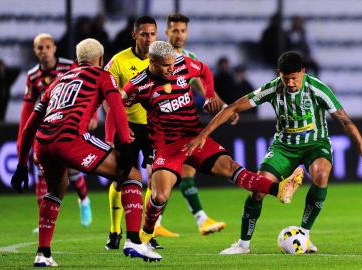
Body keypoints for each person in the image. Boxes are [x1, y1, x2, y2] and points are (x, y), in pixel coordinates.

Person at [115, 41, 304, 253]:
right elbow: (118, 104)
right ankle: (146, 236)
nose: (171, 68)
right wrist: (123, 128)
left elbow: (204, 71)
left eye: (172, 64)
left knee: (231, 167)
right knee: (159, 196)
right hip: (166, 146)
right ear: (152, 62)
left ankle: (279, 189)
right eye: (165, 66)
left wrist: (209, 95)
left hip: (194, 137)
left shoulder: (182, 64)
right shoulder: (138, 85)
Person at [186, 51, 362, 255]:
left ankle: (304, 234)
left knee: (321, 173)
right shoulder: (272, 88)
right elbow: (233, 107)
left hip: (315, 144)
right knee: (257, 190)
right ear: (279, 74)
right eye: (285, 78)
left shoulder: (317, 88)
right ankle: (243, 245)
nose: (290, 83)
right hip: (283, 147)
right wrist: (203, 134)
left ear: (303, 72)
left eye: (294, 78)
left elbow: (345, 121)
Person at [11, 38, 162, 267]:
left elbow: (30, 125)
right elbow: (117, 107)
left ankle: (43, 253)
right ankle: (133, 241)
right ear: (100, 60)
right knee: (131, 174)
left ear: (77, 60)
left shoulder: (57, 82)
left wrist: (22, 164)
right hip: (70, 138)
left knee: (56, 189)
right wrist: (125, 141)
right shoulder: (103, 76)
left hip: (44, 142)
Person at [103, 16, 171, 250]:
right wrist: (114, 129)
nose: (149, 38)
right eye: (144, 34)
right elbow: (108, 97)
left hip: (154, 128)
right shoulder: (118, 62)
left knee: (154, 177)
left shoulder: (162, 60)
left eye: (152, 34)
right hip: (128, 127)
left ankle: (145, 233)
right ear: (134, 35)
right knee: (123, 179)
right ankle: (114, 230)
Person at [18, 33, 93, 230]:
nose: (44, 51)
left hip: (68, 126)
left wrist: (91, 115)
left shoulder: (70, 66)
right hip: (44, 130)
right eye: (40, 48)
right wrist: (24, 137)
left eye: (47, 47)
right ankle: (43, 220)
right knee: (42, 174)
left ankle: (84, 201)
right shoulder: (32, 76)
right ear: (35, 51)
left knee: (73, 172)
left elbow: (89, 88)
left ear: (54, 48)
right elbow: (27, 110)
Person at [164, 12, 227, 235]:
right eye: (175, 30)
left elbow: (205, 87)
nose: (179, 35)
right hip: (160, 126)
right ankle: (143, 228)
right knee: (161, 176)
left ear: (187, 32)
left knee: (185, 170)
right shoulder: (159, 57)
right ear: (166, 32)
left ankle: (200, 220)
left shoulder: (190, 57)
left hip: (183, 125)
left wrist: (225, 107)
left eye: (182, 31)